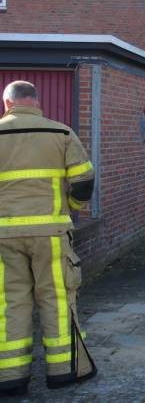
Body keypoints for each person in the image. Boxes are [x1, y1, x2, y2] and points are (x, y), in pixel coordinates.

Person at [0, 81, 97, 396]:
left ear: (7, 104)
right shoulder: (61, 133)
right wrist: (72, 208)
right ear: (36, 102)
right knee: (55, 299)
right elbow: (84, 180)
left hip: (4, 236)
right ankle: (63, 372)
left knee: (10, 303)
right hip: (51, 235)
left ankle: (11, 377)